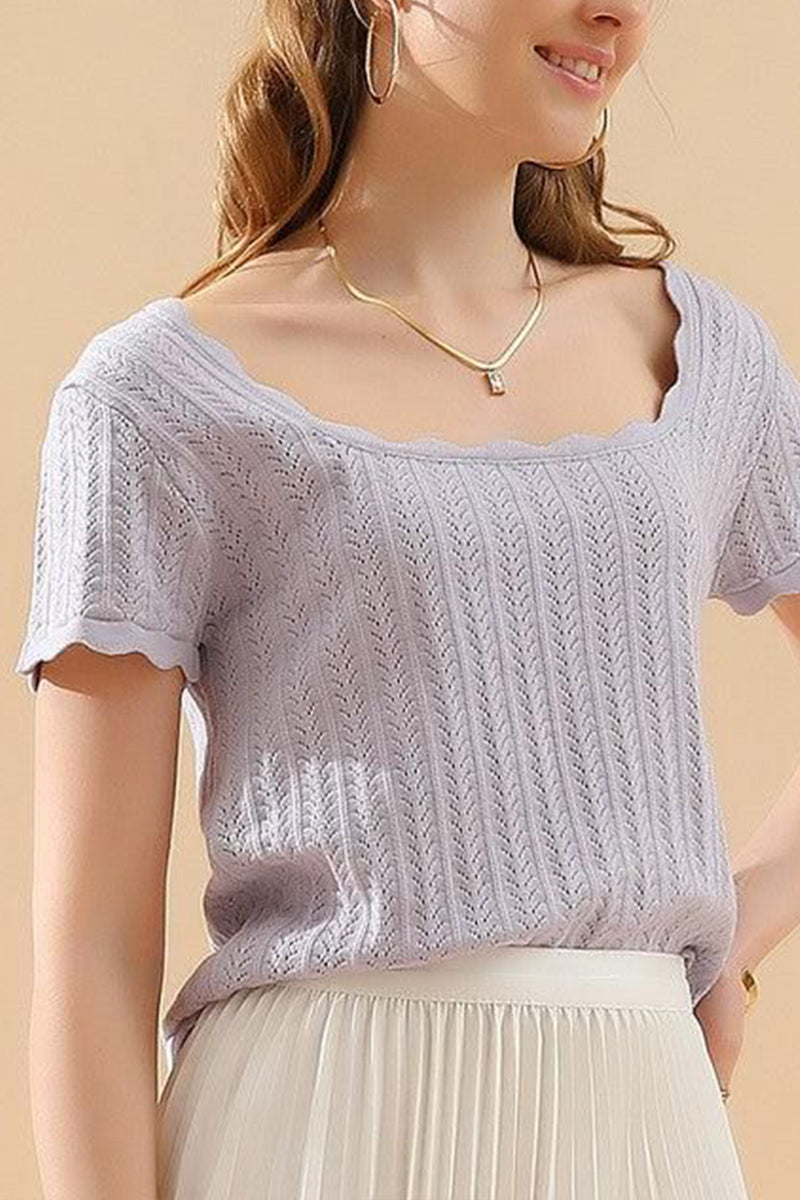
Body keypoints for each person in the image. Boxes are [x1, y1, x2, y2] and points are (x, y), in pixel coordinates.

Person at [14, 1, 800, 1197]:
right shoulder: (158, 396)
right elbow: (91, 953)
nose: (619, 11)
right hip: (315, 1123)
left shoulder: (700, 358)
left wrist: (734, 929)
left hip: (639, 1127)